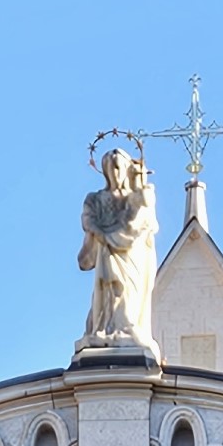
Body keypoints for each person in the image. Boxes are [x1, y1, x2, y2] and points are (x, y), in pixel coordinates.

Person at [77, 145, 159, 355]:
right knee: (110, 287)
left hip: (132, 255)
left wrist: (143, 190)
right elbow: (88, 220)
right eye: (110, 168)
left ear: (126, 170)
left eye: (118, 168)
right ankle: (106, 327)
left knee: (129, 291)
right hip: (107, 251)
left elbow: (147, 222)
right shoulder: (95, 198)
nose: (115, 173)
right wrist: (101, 233)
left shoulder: (135, 198)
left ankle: (127, 325)